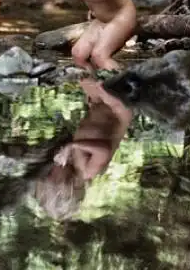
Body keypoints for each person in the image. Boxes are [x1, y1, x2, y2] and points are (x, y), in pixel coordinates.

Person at [30, 79, 132, 220]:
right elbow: (104, 151)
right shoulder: (87, 171)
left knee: (83, 77)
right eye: (51, 176)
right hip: (118, 110)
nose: (50, 171)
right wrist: (73, 146)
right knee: (102, 79)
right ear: (65, 185)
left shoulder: (73, 163)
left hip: (98, 105)